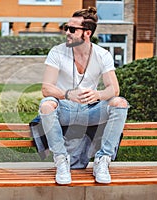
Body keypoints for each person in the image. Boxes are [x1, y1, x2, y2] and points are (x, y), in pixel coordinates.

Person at [38, 7, 129, 185]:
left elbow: (114, 89)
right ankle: (61, 160)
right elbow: (46, 88)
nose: (67, 32)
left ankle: (103, 160)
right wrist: (68, 94)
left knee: (120, 103)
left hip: (91, 109)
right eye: (66, 27)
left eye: (72, 29)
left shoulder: (102, 55)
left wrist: (98, 94)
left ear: (87, 33)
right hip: (65, 108)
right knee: (46, 105)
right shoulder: (57, 52)